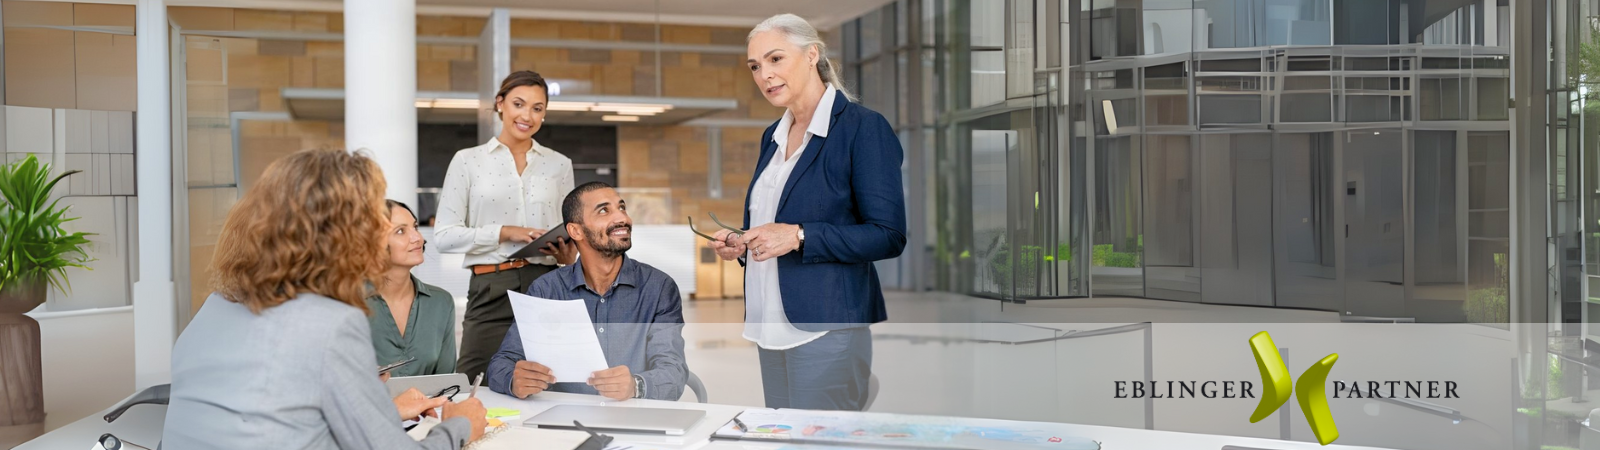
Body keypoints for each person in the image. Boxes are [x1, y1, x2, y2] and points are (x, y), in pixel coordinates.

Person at [163, 149, 488, 449]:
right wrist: (460, 425)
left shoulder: (216, 306)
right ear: (344, 232)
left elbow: (275, 418)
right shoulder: (331, 323)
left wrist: (374, 404)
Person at [708, 13, 907, 411]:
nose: (765, 74)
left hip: (827, 326)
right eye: (754, 66)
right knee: (784, 435)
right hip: (769, 324)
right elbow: (771, 223)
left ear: (812, 54)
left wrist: (799, 235)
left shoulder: (862, 128)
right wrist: (743, 242)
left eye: (775, 59)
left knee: (819, 437)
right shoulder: (772, 136)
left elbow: (888, 234)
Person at [436, 70, 579, 379]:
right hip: (490, 285)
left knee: (549, 379)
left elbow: (570, 228)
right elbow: (444, 236)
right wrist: (505, 232)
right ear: (500, 104)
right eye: (518, 104)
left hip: (545, 282)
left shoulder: (559, 164)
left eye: (537, 108)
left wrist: (568, 254)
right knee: (474, 378)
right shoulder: (467, 161)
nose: (527, 115)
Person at [487, 182, 687, 401]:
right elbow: (501, 363)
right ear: (576, 231)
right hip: (562, 418)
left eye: (622, 207)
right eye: (604, 210)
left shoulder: (659, 287)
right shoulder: (546, 290)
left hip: (633, 416)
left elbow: (674, 372)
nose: (622, 218)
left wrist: (636, 385)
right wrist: (514, 380)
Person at [368, 200, 457, 377]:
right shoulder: (350, 303)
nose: (418, 238)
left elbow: (447, 383)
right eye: (401, 231)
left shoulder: (441, 303)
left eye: (415, 227)